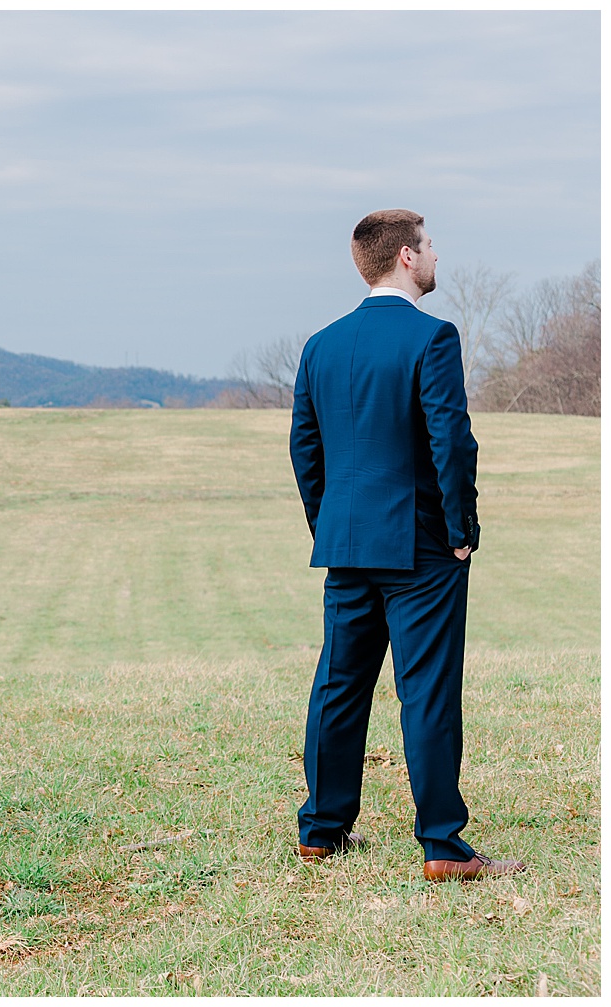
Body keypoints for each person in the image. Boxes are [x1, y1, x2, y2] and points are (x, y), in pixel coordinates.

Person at [288, 210, 525, 883]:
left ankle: (321, 830)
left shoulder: (321, 345)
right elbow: (453, 442)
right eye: (430, 245)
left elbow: (306, 449)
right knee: (426, 690)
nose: (437, 254)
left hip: (348, 542)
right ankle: (445, 847)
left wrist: (326, 524)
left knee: (338, 684)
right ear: (405, 257)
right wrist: (460, 533)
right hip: (422, 548)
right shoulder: (433, 338)